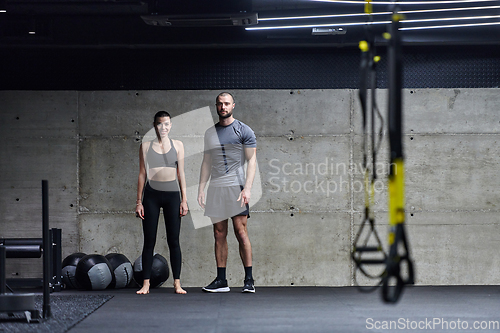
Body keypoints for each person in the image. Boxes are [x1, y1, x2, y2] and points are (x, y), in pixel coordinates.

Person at [197, 92, 257, 293]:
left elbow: (252, 161)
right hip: (216, 188)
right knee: (218, 234)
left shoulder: (244, 130)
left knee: (241, 232)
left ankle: (249, 280)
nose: (223, 107)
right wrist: (201, 189)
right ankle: (221, 280)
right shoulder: (209, 133)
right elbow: (206, 162)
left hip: (236, 187)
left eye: (226, 104)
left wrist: (248, 188)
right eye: (220, 104)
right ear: (216, 106)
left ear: (233, 106)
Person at [135, 111, 189, 295]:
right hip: (151, 195)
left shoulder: (178, 145)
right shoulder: (145, 146)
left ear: (171, 125)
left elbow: (181, 174)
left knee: (174, 240)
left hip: (172, 195)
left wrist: (184, 200)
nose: (163, 128)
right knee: (149, 240)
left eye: (166, 124)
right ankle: (146, 284)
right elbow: (142, 174)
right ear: (154, 125)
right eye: (159, 124)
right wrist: (138, 202)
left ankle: (177, 283)